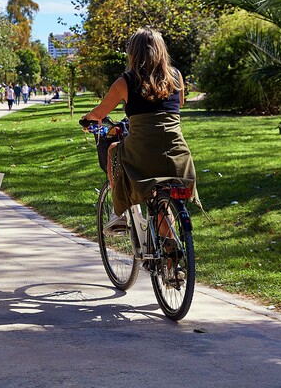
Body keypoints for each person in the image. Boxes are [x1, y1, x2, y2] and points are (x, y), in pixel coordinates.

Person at [81, 27, 195, 233]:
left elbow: (99, 113)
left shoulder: (126, 81)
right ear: (161, 51)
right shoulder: (176, 76)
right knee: (164, 200)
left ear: (133, 53)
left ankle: (119, 214)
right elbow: (180, 103)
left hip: (142, 153)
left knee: (113, 149)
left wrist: (86, 120)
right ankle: (171, 254)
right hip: (177, 152)